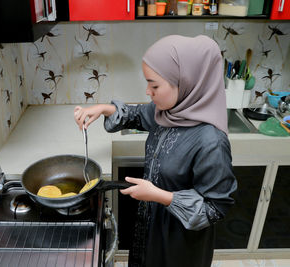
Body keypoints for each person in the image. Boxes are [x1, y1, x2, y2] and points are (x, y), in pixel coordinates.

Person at [73, 35, 237, 267]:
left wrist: (160, 196)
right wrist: (103, 108)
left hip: (179, 241)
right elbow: (139, 115)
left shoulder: (211, 141)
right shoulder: (168, 111)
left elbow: (215, 208)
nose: (148, 92)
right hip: (151, 225)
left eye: (155, 85)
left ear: (186, 82)